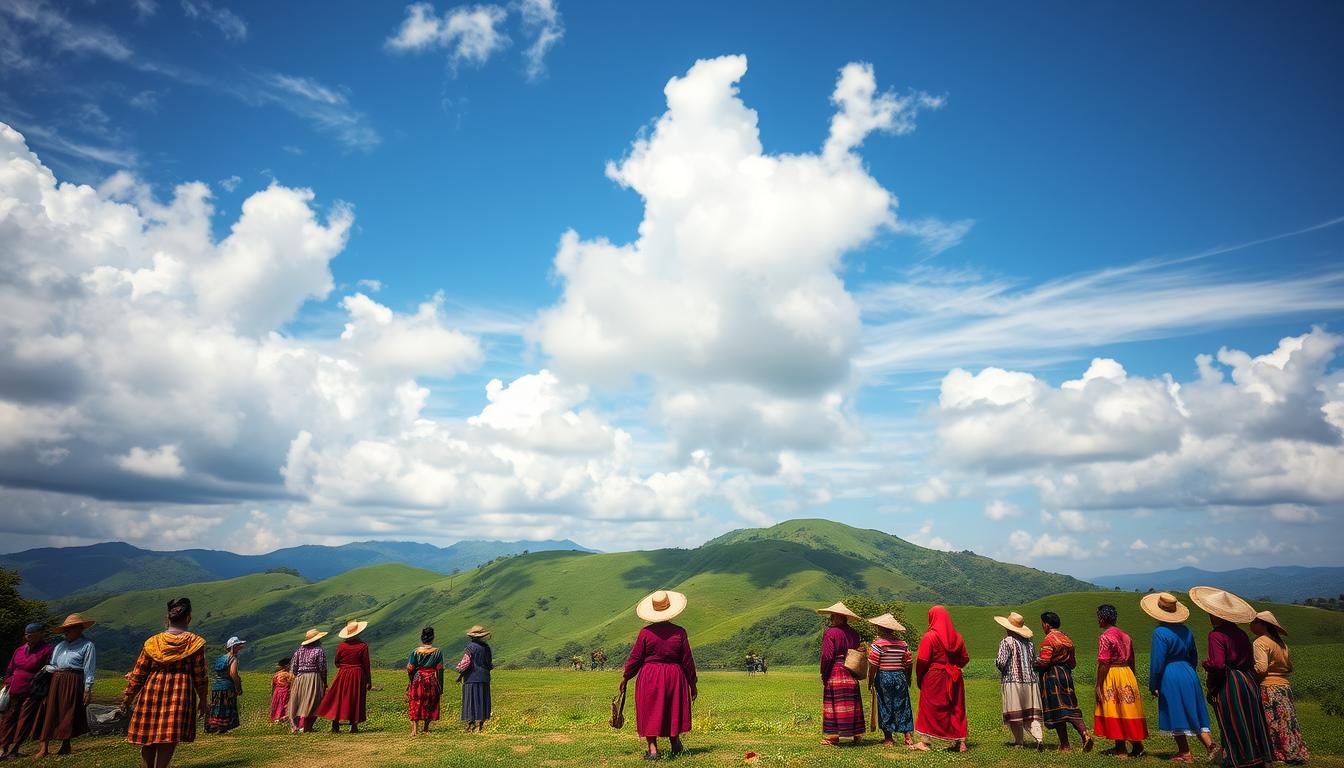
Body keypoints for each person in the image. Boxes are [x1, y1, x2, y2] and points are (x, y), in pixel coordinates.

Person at [119, 598, 209, 768]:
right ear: (189, 618)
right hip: (180, 692)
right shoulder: (195, 643)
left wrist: (128, 698)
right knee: (168, 737)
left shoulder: (152, 643)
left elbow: (138, 673)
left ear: (167, 618)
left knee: (149, 735)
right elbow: (200, 676)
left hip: (152, 689)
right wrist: (203, 700)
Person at [1191, 587, 1273, 768]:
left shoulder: (1216, 635)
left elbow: (1218, 665)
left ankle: (1238, 758)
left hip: (1230, 683)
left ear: (1217, 615)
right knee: (1251, 720)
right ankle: (1257, 756)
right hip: (1247, 680)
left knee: (1233, 721)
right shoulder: (1241, 634)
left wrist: (1206, 664)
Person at [621, 590, 697, 759]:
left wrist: (626, 676)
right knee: (673, 707)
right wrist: (693, 683)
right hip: (674, 675)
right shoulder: (680, 632)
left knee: (649, 709)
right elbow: (687, 660)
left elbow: (635, 658)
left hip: (650, 675)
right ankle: (675, 743)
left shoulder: (645, 633)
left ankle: (653, 749)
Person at [1141, 592, 1215, 763]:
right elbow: (1193, 656)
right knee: (1192, 709)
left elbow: (1157, 662)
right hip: (1189, 672)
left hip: (1171, 674)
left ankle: (1185, 752)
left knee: (1176, 710)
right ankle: (1209, 745)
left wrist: (1154, 684)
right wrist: (1189, 671)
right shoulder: (1186, 631)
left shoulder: (1160, 632)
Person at [32, 613, 97, 758]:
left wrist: (87, 688)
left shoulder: (87, 646)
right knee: (49, 710)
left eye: (70, 629)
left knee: (68, 711)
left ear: (79, 629)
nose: (66, 632)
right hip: (56, 679)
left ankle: (65, 744)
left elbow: (89, 668)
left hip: (73, 680)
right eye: (65, 630)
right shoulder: (60, 646)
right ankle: (44, 747)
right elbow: (54, 664)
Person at [1250, 610, 1308, 764]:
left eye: (1254, 622)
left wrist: (1250, 677)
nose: (1251, 625)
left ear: (1262, 625)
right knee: (1287, 720)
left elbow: (1261, 668)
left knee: (1273, 721)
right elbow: (1289, 666)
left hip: (1269, 686)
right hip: (1284, 686)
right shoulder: (1280, 643)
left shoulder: (1260, 642)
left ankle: (1278, 753)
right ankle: (1294, 751)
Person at [1094, 603, 1148, 757]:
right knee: (1127, 710)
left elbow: (1104, 663)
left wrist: (1098, 685)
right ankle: (1137, 746)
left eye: (1098, 618)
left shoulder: (1105, 637)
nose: (1098, 621)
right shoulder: (1126, 636)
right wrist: (1133, 678)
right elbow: (1132, 660)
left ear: (1103, 619)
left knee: (1114, 709)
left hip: (1113, 674)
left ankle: (1121, 749)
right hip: (1127, 674)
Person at [914, 605, 969, 752]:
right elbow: (965, 658)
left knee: (929, 708)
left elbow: (922, 660)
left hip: (935, 676)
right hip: (955, 677)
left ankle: (925, 742)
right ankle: (961, 742)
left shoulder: (930, 636)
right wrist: (954, 666)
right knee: (956, 708)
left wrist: (920, 676)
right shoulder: (957, 637)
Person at [0, 623, 53, 760]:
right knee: (8, 718)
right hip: (14, 689)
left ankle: (14, 749)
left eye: (31, 634)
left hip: (32, 690)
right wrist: (8, 681)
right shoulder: (19, 650)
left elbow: (48, 670)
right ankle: (3, 747)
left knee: (25, 719)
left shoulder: (47, 650)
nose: (28, 637)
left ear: (40, 634)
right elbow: (10, 668)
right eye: (27, 634)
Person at [816, 601, 865, 746]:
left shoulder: (831, 633)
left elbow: (827, 656)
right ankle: (856, 735)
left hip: (836, 670)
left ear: (838, 617)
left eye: (832, 616)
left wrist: (824, 674)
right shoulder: (854, 634)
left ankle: (833, 736)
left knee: (834, 704)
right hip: (851, 671)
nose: (831, 619)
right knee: (852, 704)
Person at [994, 612, 1044, 751]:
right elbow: (1034, 661)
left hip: (1012, 681)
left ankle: (1019, 742)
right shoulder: (1029, 644)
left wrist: (997, 663)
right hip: (1031, 681)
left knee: (1015, 712)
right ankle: (1038, 738)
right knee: (1031, 713)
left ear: (1008, 628)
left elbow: (1001, 662)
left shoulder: (1007, 642)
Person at [865, 613, 914, 748]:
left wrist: (870, 681)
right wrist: (908, 678)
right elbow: (909, 662)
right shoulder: (903, 644)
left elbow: (874, 665)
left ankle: (888, 738)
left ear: (880, 628)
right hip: (900, 676)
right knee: (903, 704)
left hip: (884, 676)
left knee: (885, 704)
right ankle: (908, 736)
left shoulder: (877, 644)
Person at [317, 620, 371, 733]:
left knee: (338, 697)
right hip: (357, 674)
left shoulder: (341, 646)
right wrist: (368, 680)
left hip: (343, 673)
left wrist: (344, 667)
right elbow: (366, 664)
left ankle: (335, 724)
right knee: (356, 698)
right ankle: (354, 725)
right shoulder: (363, 646)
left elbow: (337, 662)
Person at [287, 628, 329, 733]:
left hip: (300, 678)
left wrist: (295, 680)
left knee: (298, 702)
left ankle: (295, 727)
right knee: (314, 702)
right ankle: (307, 727)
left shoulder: (299, 651)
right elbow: (322, 668)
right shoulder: (319, 651)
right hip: (313, 678)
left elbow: (293, 668)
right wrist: (324, 681)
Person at [456, 625, 494, 733]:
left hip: (471, 678)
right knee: (482, 700)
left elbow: (465, 663)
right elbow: (489, 664)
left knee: (470, 701)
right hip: (484, 677)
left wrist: (459, 672)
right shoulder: (486, 648)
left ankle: (470, 725)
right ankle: (481, 725)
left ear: (472, 637)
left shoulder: (470, 647)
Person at [407, 627, 444, 736]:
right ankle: (426, 728)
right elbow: (440, 669)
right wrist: (440, 686)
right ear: (433, 638)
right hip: (431, 679)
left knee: (415, 702)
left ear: (422, 638)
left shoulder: (416, 652)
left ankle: (414, 730)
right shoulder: (437, 652)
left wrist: (411, 680)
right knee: (430, 702)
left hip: (418, 679)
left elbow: (410, 668)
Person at [205, 636, 245, 734]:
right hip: (227, 687)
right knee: (226, 706)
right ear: (234, 647)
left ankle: (214, 726)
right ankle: (222, 727)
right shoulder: (233, 659)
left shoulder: (221, 658)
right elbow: (233, 673)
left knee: (217, 706)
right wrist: (238, 686)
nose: (240, 647)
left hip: (216, 686)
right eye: (238, 645)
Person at [270, 658, 294, 728]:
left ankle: (276, 719)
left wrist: (273, 694)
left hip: (277, 692)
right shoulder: (289, 674)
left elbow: (273, 685)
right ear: (287, 665)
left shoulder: (276, 675)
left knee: (277, 706)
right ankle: (283, 719)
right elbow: (292, 684)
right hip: (285, 692)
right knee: (284, 706)